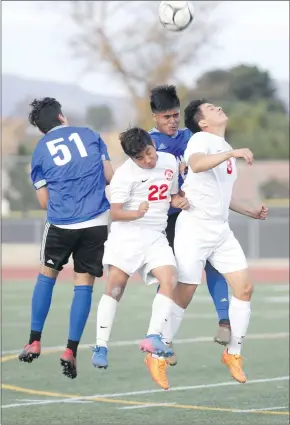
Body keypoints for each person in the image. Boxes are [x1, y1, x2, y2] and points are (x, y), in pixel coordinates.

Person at [173, 99, 268, 383]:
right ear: (202, 122)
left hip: (220, 229)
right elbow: (197, 164)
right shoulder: (200, 139)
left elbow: (222, 195)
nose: (218, 108)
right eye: (211, 108)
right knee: (186, 291)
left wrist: (249, 210)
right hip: (195, 227)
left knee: (245, 288)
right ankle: (159, 345)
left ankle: (233, 353)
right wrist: (233, 154)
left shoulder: (224, 148)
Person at [18, 97, 114, 379]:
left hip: (61, 223)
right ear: (62, 117)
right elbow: (109, 175)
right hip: (96, 220)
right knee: (83, 284)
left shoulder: (39, 151)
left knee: (46, 276)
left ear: (41, 129)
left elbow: (44, 201)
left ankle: (34, 340)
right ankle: (71, 350)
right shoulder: (90, 135)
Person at [91, 127, 189, 390]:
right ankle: (100, 346)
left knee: (170, 278)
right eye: (141, 158)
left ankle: (153, 336)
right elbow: (116, 213)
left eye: (148, 152)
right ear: (132, 159)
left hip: (155, 236)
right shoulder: (124, 175)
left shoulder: (168, 161)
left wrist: (179, 201)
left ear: (152, 144)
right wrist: (137, 213)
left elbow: (171, 195)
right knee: (115, 288)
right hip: (128, 237)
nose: (148, 160)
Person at [148, 86, 231, 359]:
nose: (172, 121)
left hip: (196, 213)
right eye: (166, 117)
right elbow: (145, 184)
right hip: (165, 219)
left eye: (175, 115)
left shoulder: (190, 137)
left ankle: (224, 321)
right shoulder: (148, 145)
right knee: (171, 276)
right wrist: (172, 198)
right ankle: (162, 337)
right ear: (154, 118)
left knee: (214, 260)